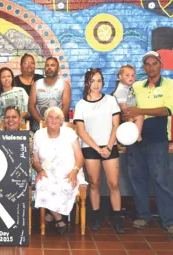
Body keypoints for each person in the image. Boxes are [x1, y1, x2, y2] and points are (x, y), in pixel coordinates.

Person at [125, 51, 173, 236]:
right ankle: (144, 215)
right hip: (135, 140)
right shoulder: (136, 86)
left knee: (161, 180)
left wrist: (140, 110)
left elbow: (167, 110)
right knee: (137, 179)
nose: (151, 67)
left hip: (158, 140)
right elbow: (130, 110)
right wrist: (127, 114)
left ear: (160, 65)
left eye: (154, 63)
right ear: (144, 67)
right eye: (147, 64)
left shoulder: (169, 85)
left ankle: (168, 219)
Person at [74, 68, 124, 233]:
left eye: (99, 81)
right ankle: (96, 217)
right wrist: (98, 148)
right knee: (94, 184)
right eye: (92, 81)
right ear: (87, 82)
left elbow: (116, 125)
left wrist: (108, 147)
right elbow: (81, 131)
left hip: (109, 147)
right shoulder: (80, 104)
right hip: (90, 149)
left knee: (114, 184)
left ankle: (117, 218)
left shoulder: (110, 100)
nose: (96, 84)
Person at [33, 107, 86, 234]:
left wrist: (74, 171)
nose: (53, 120)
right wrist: (40, 170)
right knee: (42, 185)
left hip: (70, 171)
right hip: (47, 172)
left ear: (62, 121)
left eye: (57, 118)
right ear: (45, 120)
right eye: (50, 117)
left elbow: (80, 157)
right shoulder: (38, 134)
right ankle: (59, 218)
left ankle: (52, 212)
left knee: (66, 185)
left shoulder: (69, 133)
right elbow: (35, 161)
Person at [29, 57, 71, 131]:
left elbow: (66, 108)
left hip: (58, 126)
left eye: (52, 65)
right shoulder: (36, 84)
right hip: (39, 126)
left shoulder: (64, 85)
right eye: (47, 65)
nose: (49, 67)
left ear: (58, 69)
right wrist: (41, 122)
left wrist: (55, 122)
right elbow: (31, 106)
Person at [112, 64, 143, 142]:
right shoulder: (121, 90)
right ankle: (136, 136)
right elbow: (123, 107)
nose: (131, 77)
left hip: (130, 111)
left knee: (140, 114)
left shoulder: (129, 88)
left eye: (133, 75)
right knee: (140, 116)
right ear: (120, 77)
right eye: (127, 75)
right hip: (123, 114)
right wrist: (130, 116)